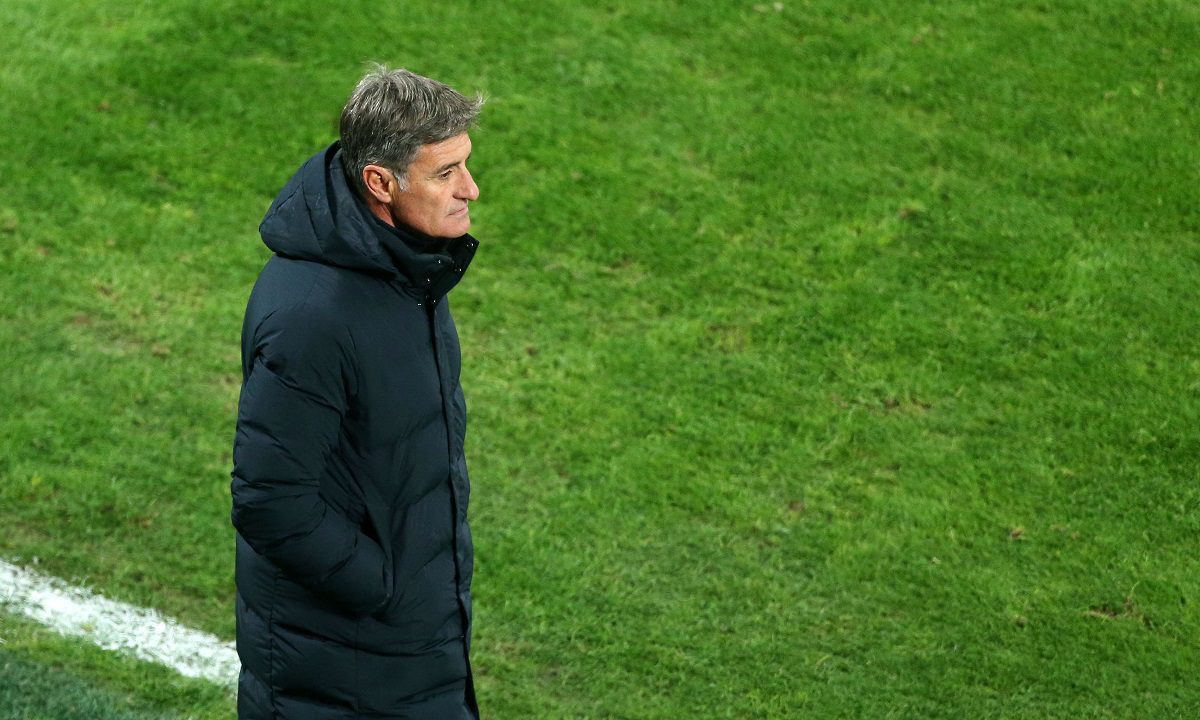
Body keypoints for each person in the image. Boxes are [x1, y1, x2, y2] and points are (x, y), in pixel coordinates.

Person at [230, 65, 484, 719]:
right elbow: (270, 501)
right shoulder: (312, 316)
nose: (471, 189)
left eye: (465, 165)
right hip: (343, 665)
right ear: (380, 182)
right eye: (446, 173)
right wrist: (382, 587)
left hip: (411, 643)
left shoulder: (409, 268)